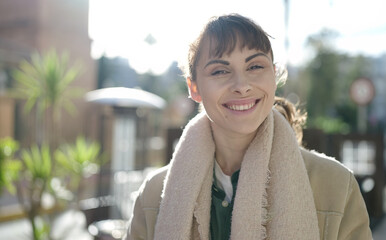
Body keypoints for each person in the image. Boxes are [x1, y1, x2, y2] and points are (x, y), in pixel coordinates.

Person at [124, 14, 372, 240]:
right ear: (194, 88)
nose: (241, 85)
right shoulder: (154, 195)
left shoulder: (337, 186)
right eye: (220, 70)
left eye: (255, 66)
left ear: (274, 76)